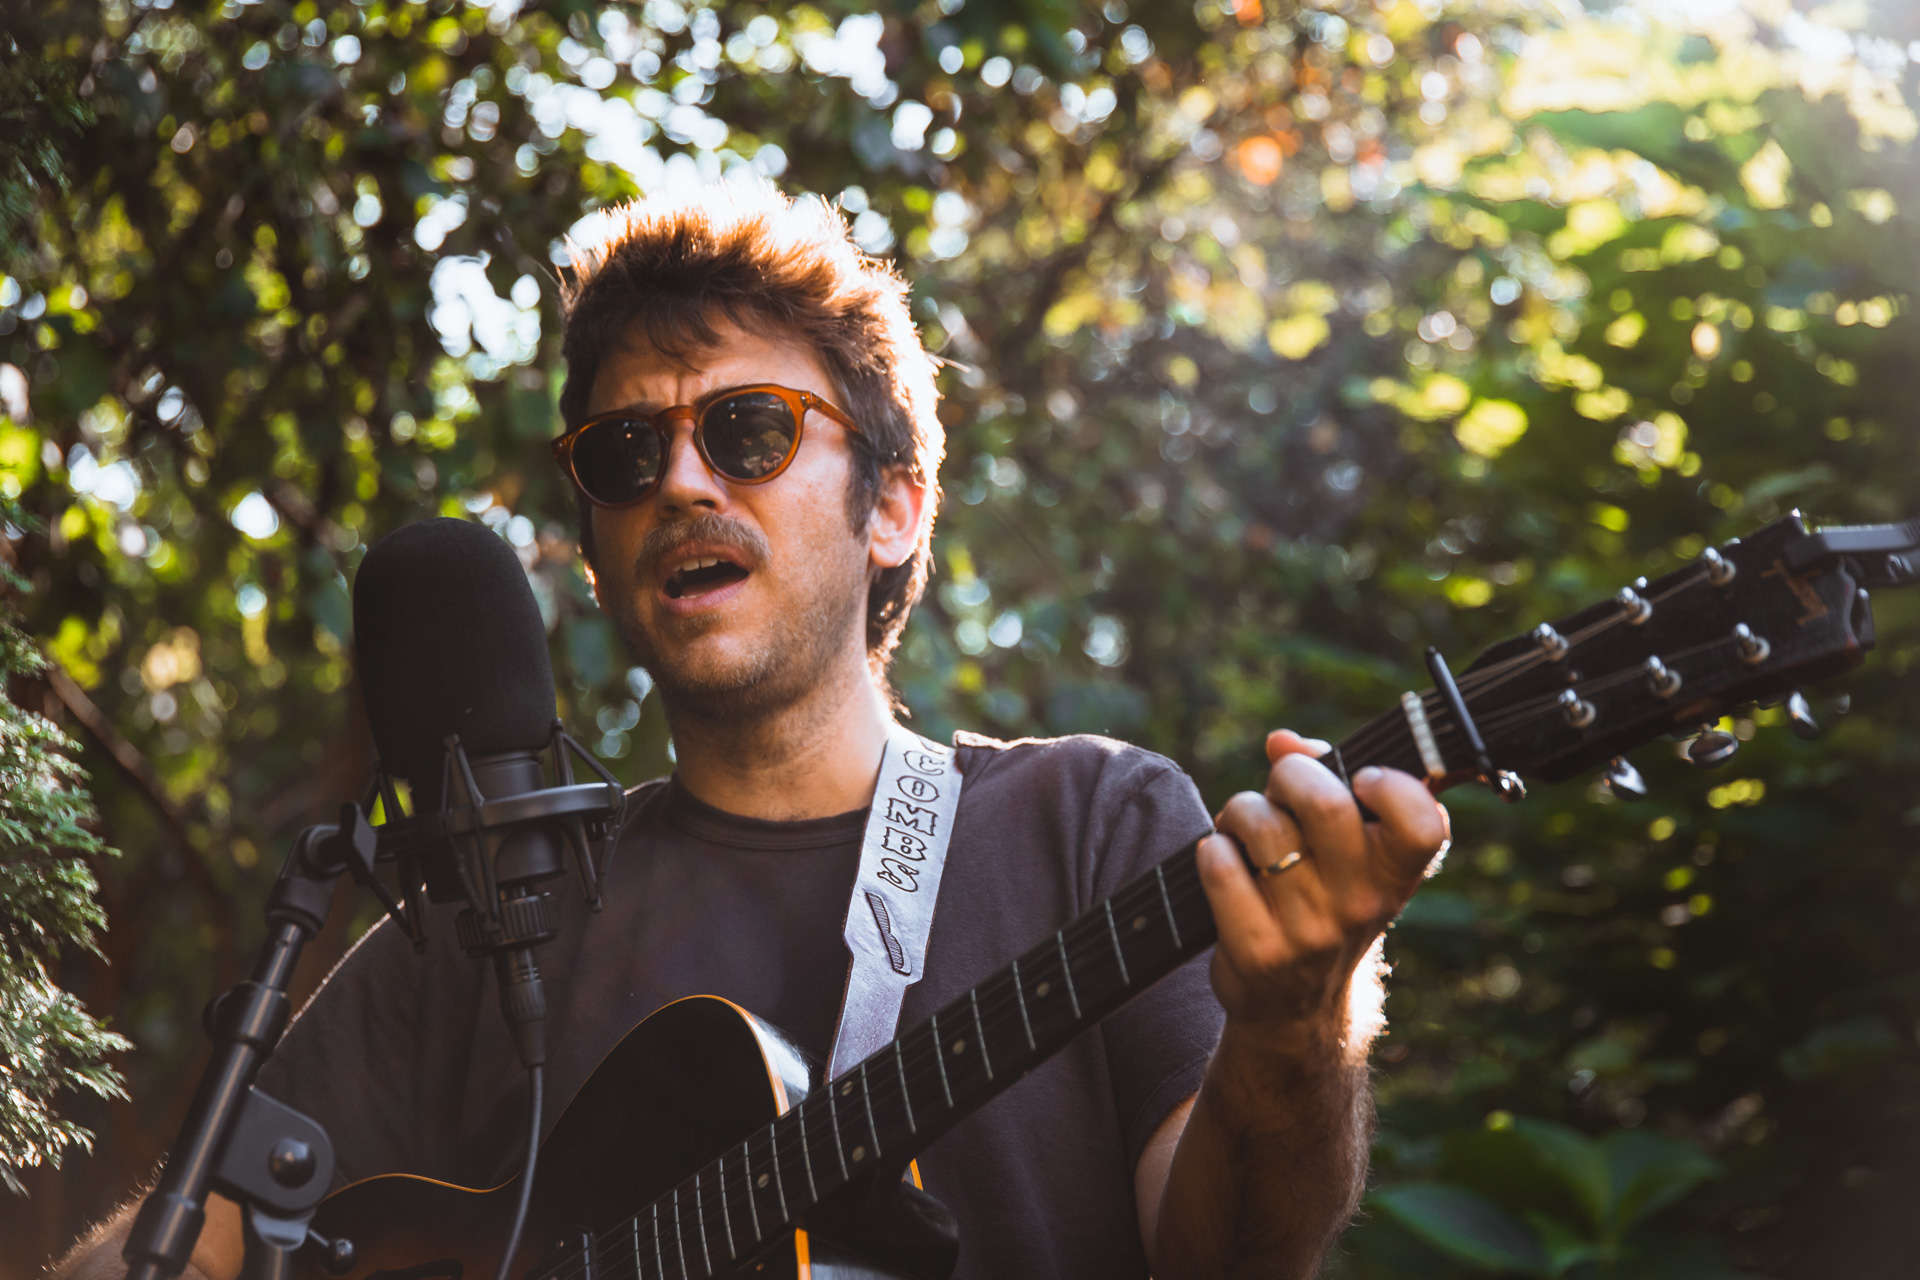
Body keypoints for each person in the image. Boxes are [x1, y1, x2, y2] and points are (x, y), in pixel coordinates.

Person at [54, 181, 1447, 1280]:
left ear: (895, 503)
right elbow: (195, 1243)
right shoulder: (485, 928)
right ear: (593, 547)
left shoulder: (1094, 829)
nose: (681, 483)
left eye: (749, 431)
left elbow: (1229, 1262)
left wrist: (1294, 1024)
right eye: (625, 453)